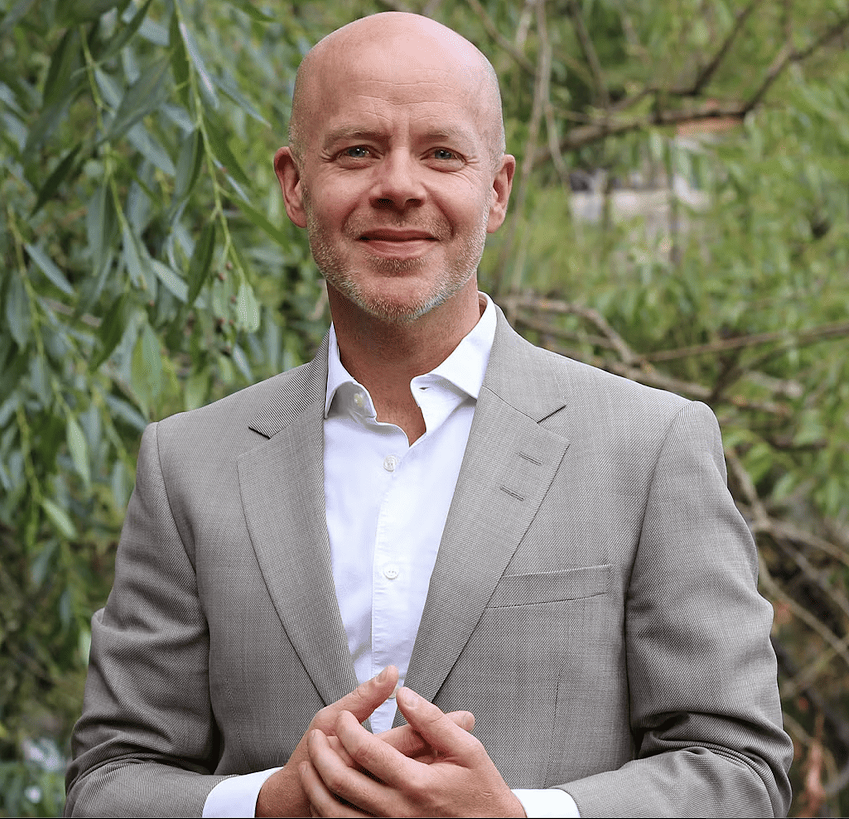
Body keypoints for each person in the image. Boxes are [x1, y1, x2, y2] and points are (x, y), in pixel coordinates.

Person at [65, 11, 793, 818]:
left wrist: (520, 816)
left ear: (496, 190)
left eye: (442, 153)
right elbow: (109, 779)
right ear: (295, 185)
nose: (399, 185)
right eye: (357, 150)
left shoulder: (650, 447)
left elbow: (738, 771)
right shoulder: (186, 465)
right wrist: (264, 803)